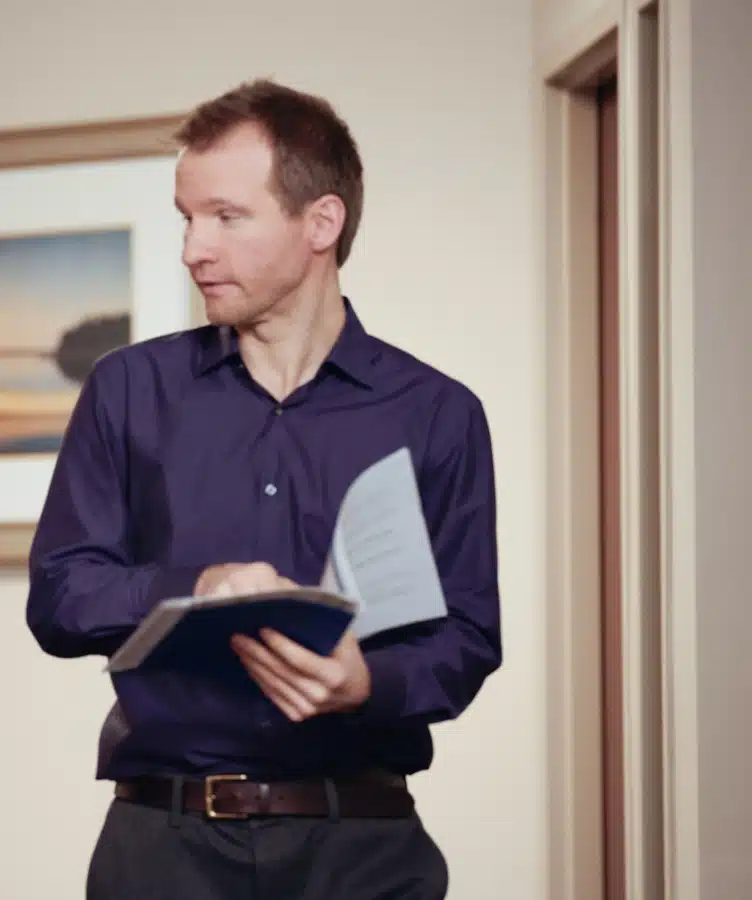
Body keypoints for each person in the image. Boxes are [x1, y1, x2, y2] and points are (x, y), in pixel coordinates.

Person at [26, 79, 500, 899]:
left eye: (225, 217)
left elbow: (466, 638)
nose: (192, 249)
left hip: (363, 853)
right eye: (186, 218)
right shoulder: (127, 388)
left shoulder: (439, 414)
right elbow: (61, 596)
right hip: (160, 851)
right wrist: (193, 589)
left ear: (321, 223)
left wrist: (367, 686)